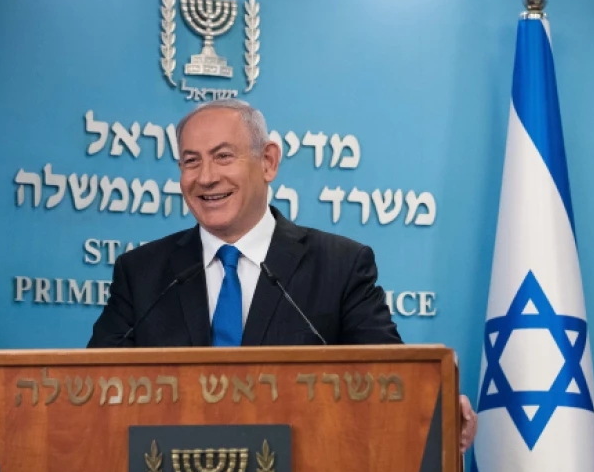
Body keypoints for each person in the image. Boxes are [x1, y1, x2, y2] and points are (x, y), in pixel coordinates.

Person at [88, 99, 476, 450]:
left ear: (268, 161)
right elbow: (93, 388)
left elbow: (391, 377)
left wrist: (434, 404)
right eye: (191, 161)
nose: (205, 177)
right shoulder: (142, 273)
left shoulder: (340, 265)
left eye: (223, 156)